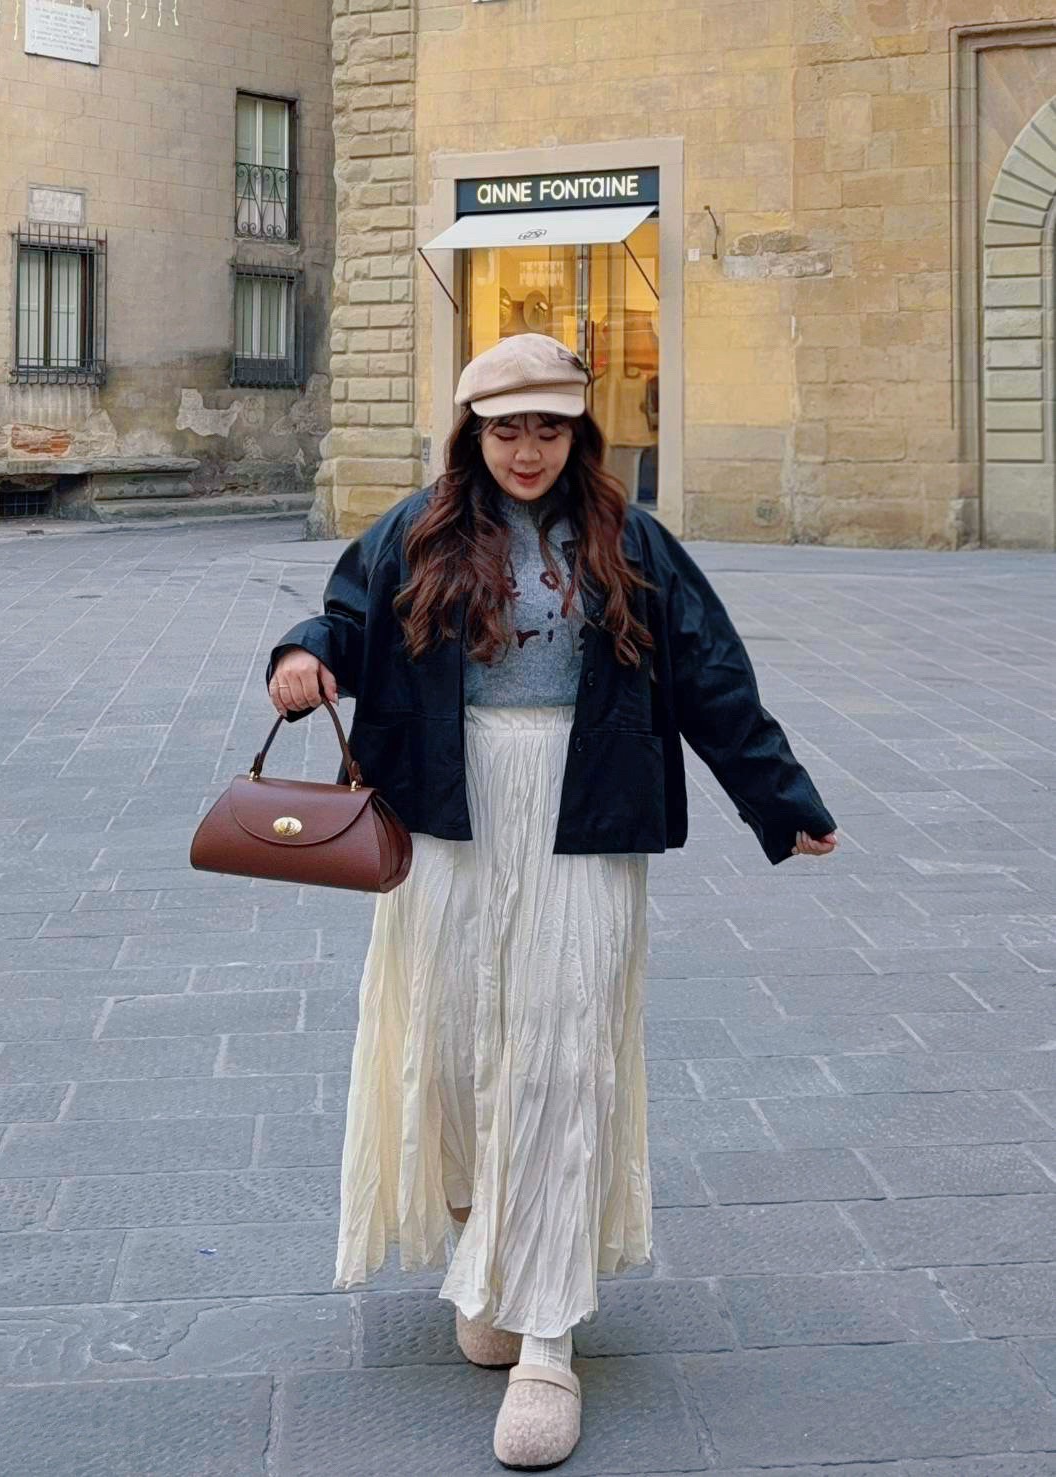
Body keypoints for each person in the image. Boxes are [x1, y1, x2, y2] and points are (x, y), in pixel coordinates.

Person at [267, 333, 838, 1470]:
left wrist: (780, 799)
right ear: (472, 434)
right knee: (451, 1048)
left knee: (560, 1056)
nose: (527, 449)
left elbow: (711, 674)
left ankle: (544, 1338)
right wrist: (302, 652)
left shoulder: (633, 542)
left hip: (585, 808)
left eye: (548, 428)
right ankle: (490, 1249)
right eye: (505, 429)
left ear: (579, 434)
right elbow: (347, 619)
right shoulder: (414, 530)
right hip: (447, 807)